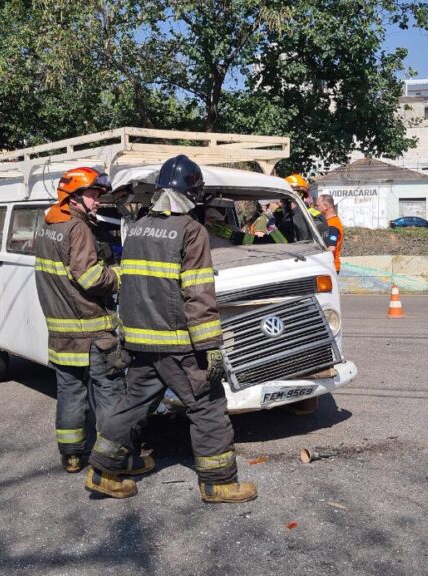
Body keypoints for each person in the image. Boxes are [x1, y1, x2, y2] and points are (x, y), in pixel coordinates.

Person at [86, 154, 257, 503]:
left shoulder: (138, 229)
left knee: (133, 405)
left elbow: (129, 284)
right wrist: (209, 345)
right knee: (207, 406)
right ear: (191, 193)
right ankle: (219, 483)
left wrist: (124, 336)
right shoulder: (190, 231)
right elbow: (197, 292)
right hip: (178, 344)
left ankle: (103, 472)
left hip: (139, 341)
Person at [34, 167, 125, 472]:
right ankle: (111, 459)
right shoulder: (78, 229)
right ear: (72, 198)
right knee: (109, 393)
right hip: (92, 333)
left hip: (60, 334)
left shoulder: (46, 226)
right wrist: (120, 275)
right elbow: (91, 278)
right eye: (92, 195)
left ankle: (72, 456)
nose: (97, 201)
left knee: (70, 394)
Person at [284, 174, 329, 242]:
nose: (280, 202)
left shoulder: (291, 219)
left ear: (289, 198)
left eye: (282, 197)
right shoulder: (316, 214)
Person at [316, 194, 344, 274]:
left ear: (326, 206)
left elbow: (332, 248)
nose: (316, 208)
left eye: (318, 205)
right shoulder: (329, 221)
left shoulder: (333, 225)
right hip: (328, 266)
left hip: (330, 267)